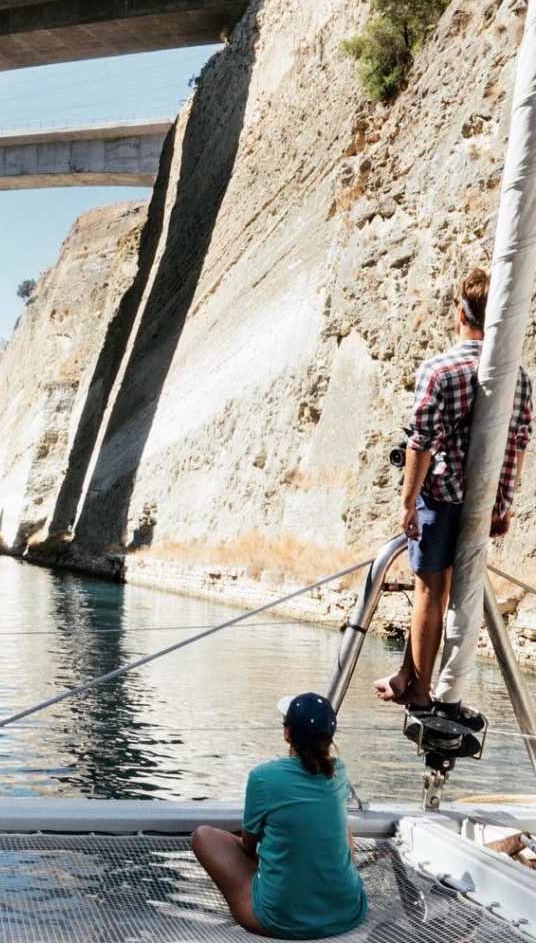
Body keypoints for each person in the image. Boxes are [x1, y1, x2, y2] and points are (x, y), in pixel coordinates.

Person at [374, 268, 532, 715]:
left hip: (440, 501)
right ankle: (409, 675)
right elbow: (517, 444)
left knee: (430, 592)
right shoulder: (518, 378)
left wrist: (408, 501)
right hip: (481, 507)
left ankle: (420, 692)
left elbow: (421, 443)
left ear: (460, 313)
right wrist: (503, 505)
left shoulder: (440, 369)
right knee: (450, 595)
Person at [191, 693, 367, 939]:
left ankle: (284, 890)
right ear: (330, 735)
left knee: (204, 836)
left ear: (287, 733)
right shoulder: (338, 770)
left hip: (279, 920)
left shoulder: (263, 777)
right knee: (344, 831)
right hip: (349, 911)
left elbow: (249, 846)